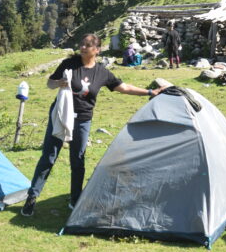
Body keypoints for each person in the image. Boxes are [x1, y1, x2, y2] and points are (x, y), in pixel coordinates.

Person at [21, 33, 159, 216]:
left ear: (97, 50)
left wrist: (150, 91)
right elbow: (49, 83)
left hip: (83, 119)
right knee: (49, 156)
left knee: (78, 160)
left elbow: (124, 88)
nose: (83, 47)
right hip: (61, 115)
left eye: (87, 45)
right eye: (82, 44)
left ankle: (75, 199)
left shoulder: (102, 72)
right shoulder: (69, 64)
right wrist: (58, 83)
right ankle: (32, 197)